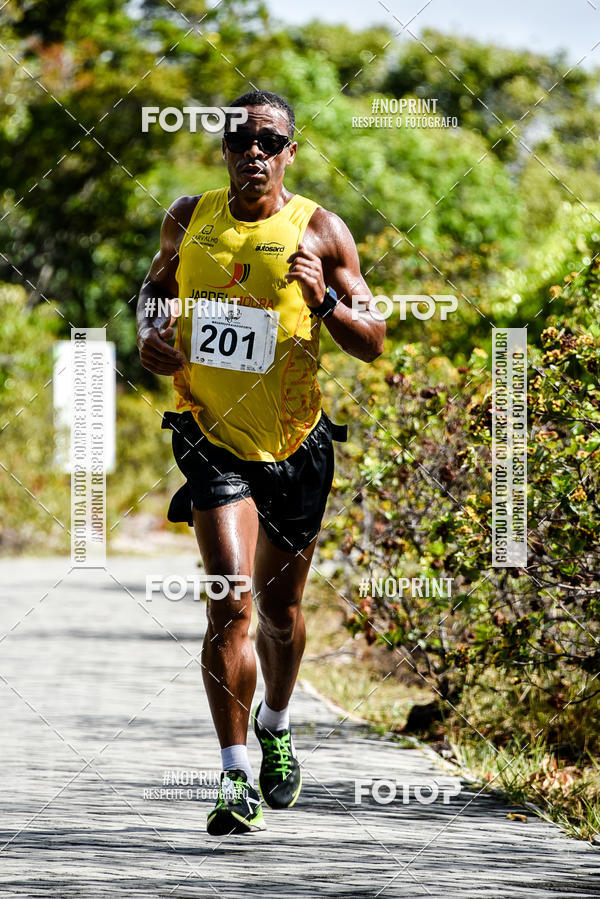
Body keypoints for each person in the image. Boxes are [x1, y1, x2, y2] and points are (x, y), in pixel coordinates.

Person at [136, 89, 385, 835]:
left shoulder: (320, 231)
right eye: (241, 138)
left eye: (269, 141)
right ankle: (235, 775)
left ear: (290, 153)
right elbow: (155, 286)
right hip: (211, 438)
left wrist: (329, 304)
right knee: (231, 602)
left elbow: (373, 336)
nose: (254, 151)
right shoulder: (188, 217)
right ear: (222, 148)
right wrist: (152, 332)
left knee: (280, 612)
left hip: (297, 445)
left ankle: (276, 724)